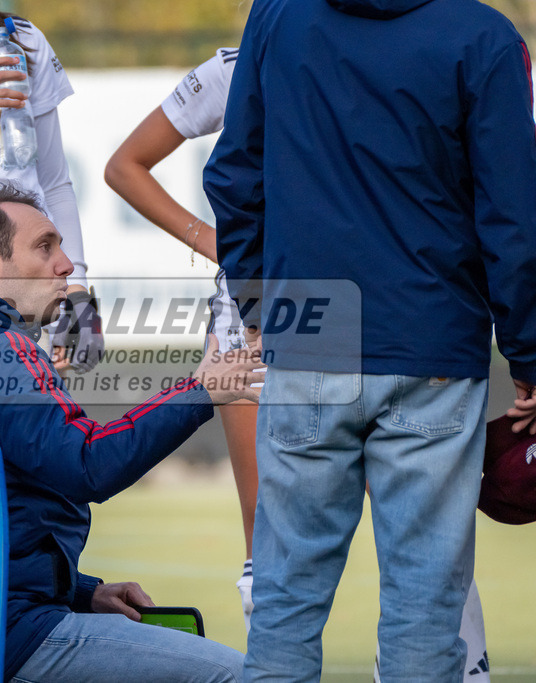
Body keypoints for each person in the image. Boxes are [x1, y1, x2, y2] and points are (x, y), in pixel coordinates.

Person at [203, 0, 536, 679]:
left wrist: (259, 304)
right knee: (424, 609)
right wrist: (529, 353)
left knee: (284, 606)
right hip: (432, 343)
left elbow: (234, 174)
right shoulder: (483, 36)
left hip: (310, 335)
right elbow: (514, 217)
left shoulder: (278, 16)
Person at [0, 182, 263, 682]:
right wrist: (202, 390)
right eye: (44, 246)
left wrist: (83, 591)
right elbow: (87, 463)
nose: (65, 265)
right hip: (13, 632)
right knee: (239, 675)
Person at [104, 47, 260, 631]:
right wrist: (209, 239)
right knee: (265, 540)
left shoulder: (375, 55)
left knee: (412, 534)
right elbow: (124, 165)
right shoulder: (233, 68)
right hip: (256, 310)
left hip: (370, 307)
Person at [0, 0, 104, 374]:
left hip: (22, 267)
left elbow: (54, 182)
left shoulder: (25, 39)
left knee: (34, 419)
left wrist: (77, 291)